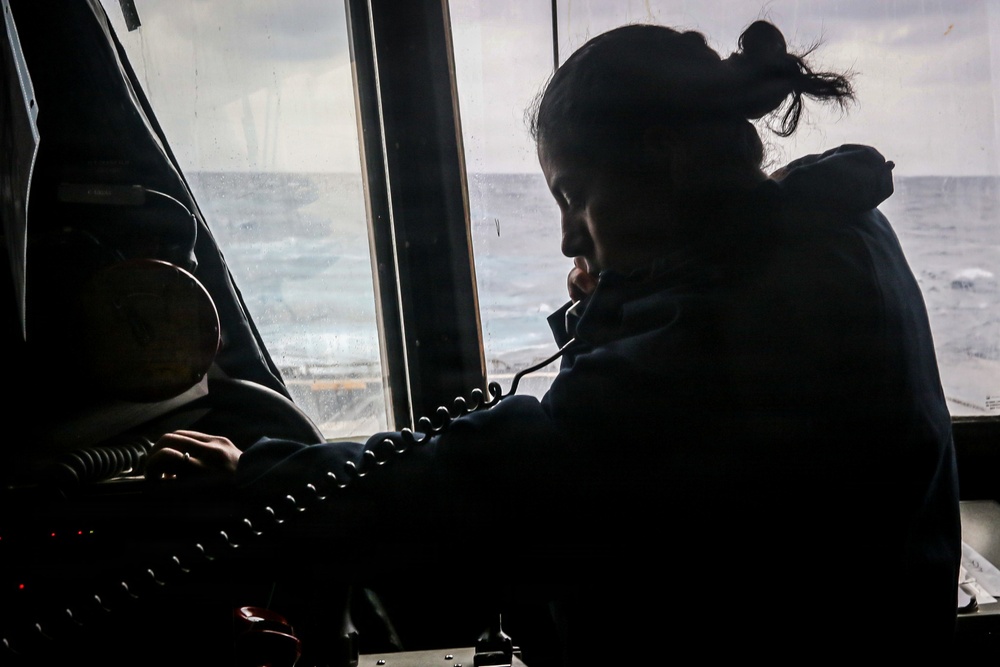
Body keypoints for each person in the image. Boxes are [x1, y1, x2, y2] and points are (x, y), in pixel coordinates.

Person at [146, 20, 961, 664]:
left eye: (575, 195)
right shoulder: (832, 230)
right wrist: (629, 288)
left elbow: (502, 472)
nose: (571, 238)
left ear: (665, 159)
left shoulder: (722, 324)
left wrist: (257, 476)